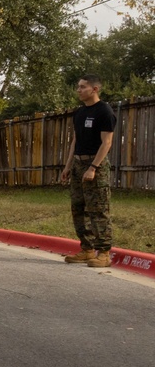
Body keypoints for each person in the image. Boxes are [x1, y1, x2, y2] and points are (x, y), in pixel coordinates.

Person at [60, 74, 117, 268]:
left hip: (95, 165)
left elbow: (106, 142)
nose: (79, 90)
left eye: (83, 87)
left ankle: (104, 253)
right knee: (78, 208)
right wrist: (68, 166)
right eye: (78, 86)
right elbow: (75, 141)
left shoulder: (104, 111)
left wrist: (93, 167)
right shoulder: (79, 112)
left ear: (95, 89)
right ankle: (87, 249)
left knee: (98, 209)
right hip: (77, 164)